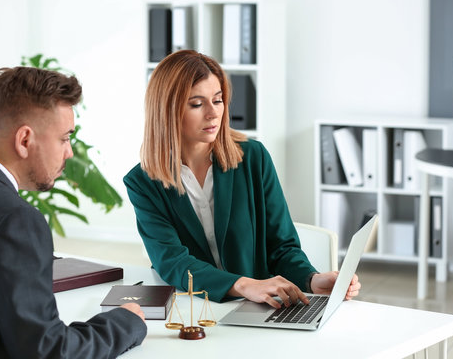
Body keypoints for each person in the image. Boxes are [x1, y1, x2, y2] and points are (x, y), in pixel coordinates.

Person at [0, 67, 147, 358]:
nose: (68, 153)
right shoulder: (14, 219)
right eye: (65, 138)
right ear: (24, 140)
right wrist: (125, 321)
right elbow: (48, 351)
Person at [124, 50, 361, 309]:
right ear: (167, 109)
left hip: (261, 308)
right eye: (196, 104)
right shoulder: (142, 182)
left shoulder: (253, 158)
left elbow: (281, 246)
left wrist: (311, 279)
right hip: (191, 311)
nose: (213, 114)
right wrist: (244, 285)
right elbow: (172, 262)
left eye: (218, 100)